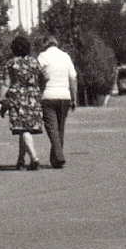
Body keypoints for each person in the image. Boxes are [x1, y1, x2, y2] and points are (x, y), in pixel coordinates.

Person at [0, 35, 44, 170]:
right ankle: (21, 160)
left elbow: (6, 83)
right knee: (25, 129)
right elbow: (45, 77)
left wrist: (1, 99)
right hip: (33, 97)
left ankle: (34, 158)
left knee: (22, 129)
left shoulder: (11, 63)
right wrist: (39, 88)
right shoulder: (34, 62)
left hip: (17, 98)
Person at [37, 35, 78, 169]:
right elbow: (73, 78)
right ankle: (55, 159)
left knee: (52, 128)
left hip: (48, 95)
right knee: (60, 128)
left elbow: (38, 75)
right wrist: (74, 97)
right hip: (64, 95)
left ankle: (59, 156)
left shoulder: (42, 56)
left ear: (45, 44)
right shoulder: (65, 56)